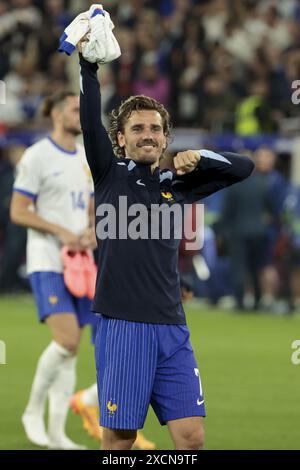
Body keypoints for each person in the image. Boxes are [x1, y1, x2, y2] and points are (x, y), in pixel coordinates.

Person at [78, 46, 254, 449]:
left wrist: (202, 157)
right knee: (120, 440)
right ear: (120, 139)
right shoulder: (109, 174)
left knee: (191, 437)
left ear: (166, 138)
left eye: (155, 129)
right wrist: (89, 67)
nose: (148, 135)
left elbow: (244, 167)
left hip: (173, 326)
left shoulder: (178, 184)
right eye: (137, 129)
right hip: (124, 324)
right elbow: (90, 121)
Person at [10, 91, 97, 450]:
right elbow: (18, 210)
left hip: (80, 264)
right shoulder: (37, 156)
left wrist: (92, 230)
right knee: (67, 340)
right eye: (75, 110)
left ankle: (58, 433)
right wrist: (62, 232)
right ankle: (32, 411)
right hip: (47, 259)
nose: (81, 115)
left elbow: (90, 207)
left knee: (71, 350)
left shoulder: (86, 157)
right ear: (57, 114)